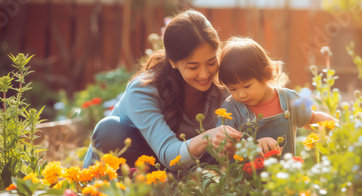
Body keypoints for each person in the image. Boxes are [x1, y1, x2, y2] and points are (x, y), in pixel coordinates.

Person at [83, 10, 242, 171]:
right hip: (133, 161)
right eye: (193, 66)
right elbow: (168, 153)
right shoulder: (144, 89)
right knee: (110, 129)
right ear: (173, 61)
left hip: (178, 171)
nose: (205, 73)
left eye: (211, 62)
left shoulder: (225, 86)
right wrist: (206, 138)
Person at [217, 37, 335, 157]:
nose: (241, 94)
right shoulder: (231, 108)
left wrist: (333, 126)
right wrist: (253, 146)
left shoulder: (288, 98)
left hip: (285, 173)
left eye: (247, 86)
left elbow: (311, 118)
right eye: (233, 89)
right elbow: (223, 146)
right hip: (245, 175)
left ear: (266, 74)